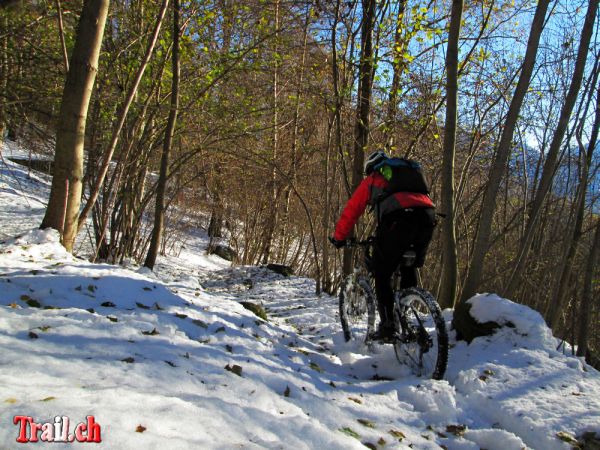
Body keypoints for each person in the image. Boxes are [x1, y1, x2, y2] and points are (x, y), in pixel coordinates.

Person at [330, 150, 436, 341]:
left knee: (382, 272)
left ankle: (388, 326)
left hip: (399, 221)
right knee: (407, 266)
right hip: (427, 218)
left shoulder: (374, 177)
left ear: (371, 167)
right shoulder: (408, 176)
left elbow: (352, 209)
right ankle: (405, 316)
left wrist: (339, 237)